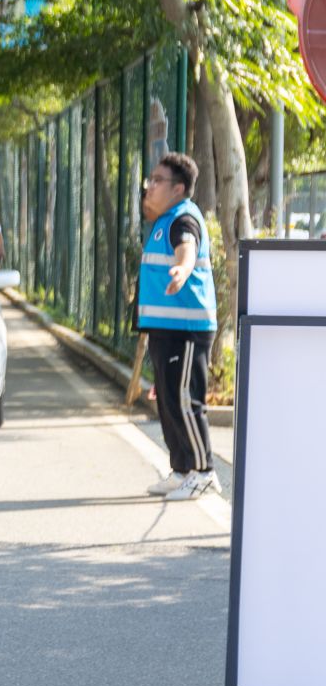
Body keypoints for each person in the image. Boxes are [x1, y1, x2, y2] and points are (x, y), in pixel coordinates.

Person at [138, 152, 219, 500]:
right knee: (169, 402)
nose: (150, 186)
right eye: (151, 179)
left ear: (178, 188)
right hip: (165, 327)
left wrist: (183, 270)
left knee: (186, 401)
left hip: (186, 328)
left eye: (158, 180)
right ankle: (182, 469)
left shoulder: (183, 219)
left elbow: (187, 247)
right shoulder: (165, 219)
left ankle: (204, 471)